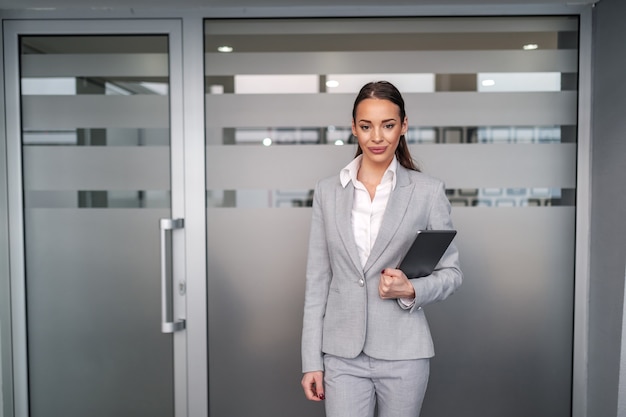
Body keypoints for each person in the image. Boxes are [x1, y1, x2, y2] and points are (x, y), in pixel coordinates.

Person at [300, 81, 462, 417]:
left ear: (403, 126)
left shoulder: (427, 192)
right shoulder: (328, 191)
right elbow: (317, 281)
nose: (377, 137)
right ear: (353, 128)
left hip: (404, 352)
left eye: (388, 125)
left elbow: (452, 274)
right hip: (342, 355)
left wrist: (411, 289)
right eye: (366, 126)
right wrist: (310, 360)